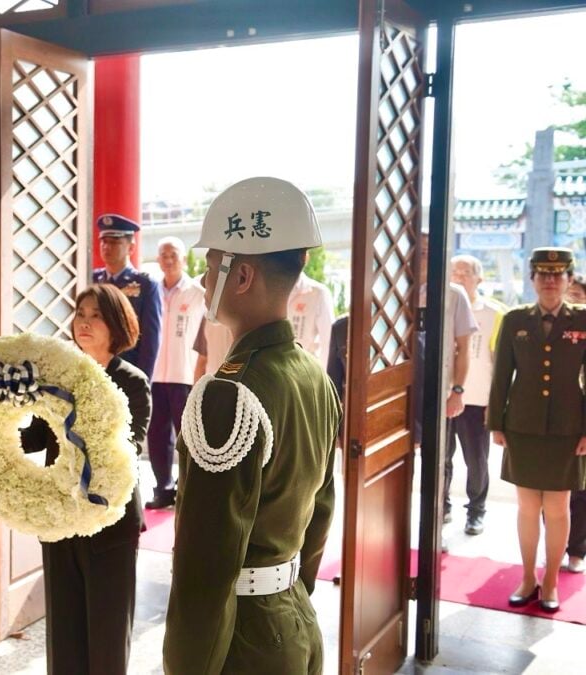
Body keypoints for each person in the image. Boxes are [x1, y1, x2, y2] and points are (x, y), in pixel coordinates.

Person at [164, 177, 341, 674]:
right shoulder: (314, 376)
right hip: (292, 618)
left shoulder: (229, 393)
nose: (203, 282)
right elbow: (321, 509)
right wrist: (287, 594)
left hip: (242, 642)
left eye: (210, 266)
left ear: (241, 276)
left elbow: (206, 564)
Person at [22, 283, 149, 674]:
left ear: (117, 324)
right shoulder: (59, 377)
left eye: (96, 316)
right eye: (80, 314)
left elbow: (130, 447)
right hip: (61, 517)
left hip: (109, 521)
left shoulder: (132, 381)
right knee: (64, 632)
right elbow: (36, 437)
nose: (85, 323)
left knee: (108, 632)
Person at [488, 247, 586, 613]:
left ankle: (552, 581)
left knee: (558, 507)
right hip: (523, 426)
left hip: (567, 427)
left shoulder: (583, 320)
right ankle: (528, 577)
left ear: (569, 279)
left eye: (557, 274)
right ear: (532, 279)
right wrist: (496, 422)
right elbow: (501, 375)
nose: (550, 281)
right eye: (543, 274)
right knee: (527, 507)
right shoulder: (515, 319)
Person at [413, 234, 479, 530]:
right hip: (402, 389)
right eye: (418, 250)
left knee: (440, 456)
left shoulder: (453, 294)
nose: (423, 256)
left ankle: (437, 513)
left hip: (438, 389)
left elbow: (463, 348)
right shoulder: (396, 289)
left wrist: (457, 391)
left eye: (429, 251)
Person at [448, 254, 507, 535]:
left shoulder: (495, 314)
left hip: (477, 400)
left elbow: (501, 363)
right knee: (442, 459)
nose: (459, 277)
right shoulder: (444, 306)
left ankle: (476, 511)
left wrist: (496, 405)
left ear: (479, 279)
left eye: (466, 272)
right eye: (455, 272)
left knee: (476, 460)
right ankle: (442, 506)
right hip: (444, 398)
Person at [146, 237, 206, 510]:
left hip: (185, 374)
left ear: (183, 259)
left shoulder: (197, 292)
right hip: (156, 374)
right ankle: (163, 488)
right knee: (157, 436)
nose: (168, 260)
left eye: (174, 255)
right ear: (158, 259)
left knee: (187, 436)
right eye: (163, 255)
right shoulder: (152, 290)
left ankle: (188, 489)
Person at [92, 214, 162, 378]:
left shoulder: (145, 284)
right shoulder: (91, 279)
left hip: (126, 371)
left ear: (131, 247)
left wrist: (143, 380)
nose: (107, 247)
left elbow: (150, 342)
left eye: (114, 242)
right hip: (93, 368)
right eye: (104, 241)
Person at [287, 257, 335, 365]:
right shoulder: (271, 290)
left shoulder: (318, 293)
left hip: (306, 368)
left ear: (305, 258)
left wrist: (323, 374)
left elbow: (328, 342)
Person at [569, 273, 586, 573]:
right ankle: (556, 545)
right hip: (558, 418)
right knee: (551, 490)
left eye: (578, 296)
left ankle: (577, 550)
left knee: (581, 491)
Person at [192, 315, 234, 380]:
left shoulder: (208, 316)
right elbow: (202, 362)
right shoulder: (241, 316)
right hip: (231, 381)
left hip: (213, 381)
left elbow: (202, 362)